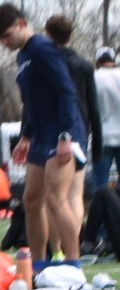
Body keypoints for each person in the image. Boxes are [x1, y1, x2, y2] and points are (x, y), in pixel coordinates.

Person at [0, 4, 86, 267]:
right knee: (31, 200)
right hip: (40, 136)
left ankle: (73, 265)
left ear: (21, 23)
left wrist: (66, 136)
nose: (5, 43)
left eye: (7, 35)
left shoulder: (43, 49)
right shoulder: (23, 56)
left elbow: (66, 92)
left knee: (56, 198)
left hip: (61, 134)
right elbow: (32, 102)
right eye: (0, 40)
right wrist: (26, 136)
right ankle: (39, 264)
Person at [46, 16, 100, 237]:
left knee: (53, 196)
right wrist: (96, 143)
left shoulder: (48, 64)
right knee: (75, 196)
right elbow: (94, 107)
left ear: (49, 35)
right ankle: (73, 243)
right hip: (80, 130)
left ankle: (57, 248)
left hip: (53, 131)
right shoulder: (84, 65)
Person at [95, 47, 120, 189]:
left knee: (101, 185)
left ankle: (104, 210)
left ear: (98, 62)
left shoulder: (94, 77)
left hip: (102, 137)